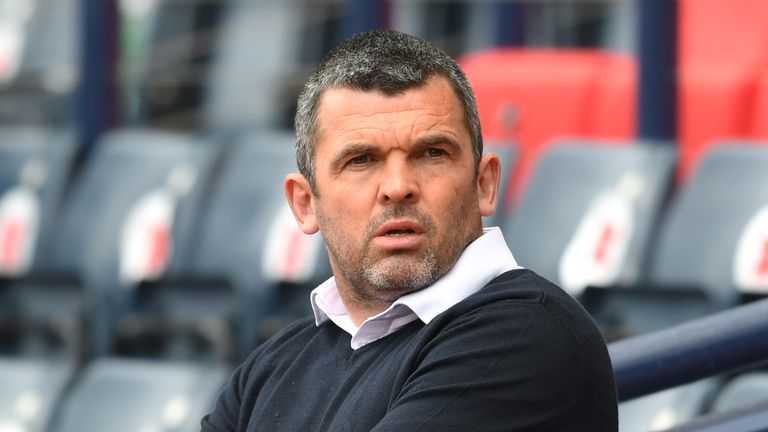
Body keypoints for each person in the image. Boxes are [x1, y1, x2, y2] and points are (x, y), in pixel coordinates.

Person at [201, 29, 618, 431]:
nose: (398, 187)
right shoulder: (270, 367)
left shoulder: (527, 336)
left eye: (432, 153)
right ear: (305, 204)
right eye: (361, 160)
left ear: (484, 184)